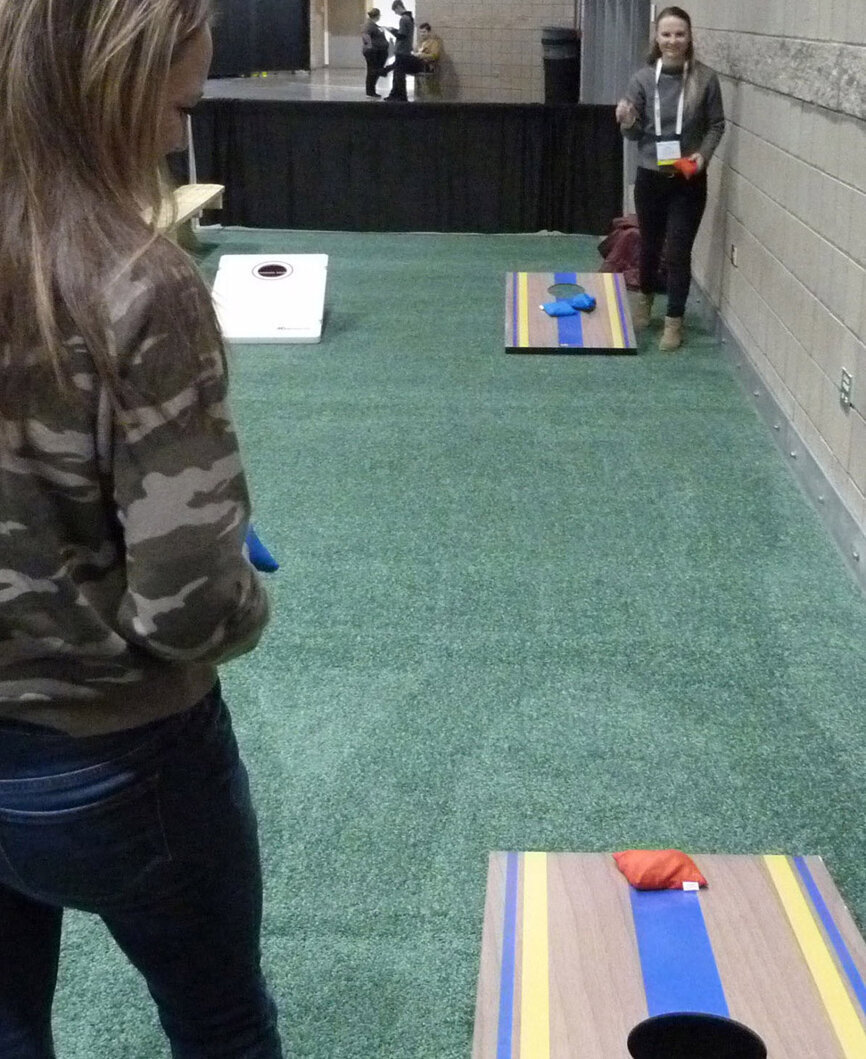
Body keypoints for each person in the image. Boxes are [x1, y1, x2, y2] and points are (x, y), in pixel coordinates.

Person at [0, 1, 283, 1057]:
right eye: (175, 101)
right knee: (220, 1024)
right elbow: (189, 607)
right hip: (113, 760)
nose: (179, 130)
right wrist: (235, 576)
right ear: (114, 73)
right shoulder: (137, 283)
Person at [615, 6, 725, 351]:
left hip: (688, 179)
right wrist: (627, 120)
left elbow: (717, 124)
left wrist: (703, 154)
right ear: (657, 38)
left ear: (689, 37)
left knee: (678, 251)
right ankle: (644, 303)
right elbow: (632, 136)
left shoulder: (705, 79)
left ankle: (674, 322)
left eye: (679, 34)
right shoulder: (643, 79)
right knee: (649, 246)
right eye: (666, 34)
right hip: (650, 177)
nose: (673, 41)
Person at [384, 0, 415, 102]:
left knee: (399, 75)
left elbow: (401, 36)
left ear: (398, 7)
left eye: (395, 10)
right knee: (398, 74)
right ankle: (395, 94)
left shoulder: (403, 19)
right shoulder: (410, 18)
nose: (395, 13)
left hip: (401, 50)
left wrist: (391, 30)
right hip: (406, 49)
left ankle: (401, 96)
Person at [361, 8, 389, 98]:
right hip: (373, 52)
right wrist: (370, 46)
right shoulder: (369, 25)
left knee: (375, 71)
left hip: (379, 51)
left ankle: (372, 90)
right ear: (377, 15)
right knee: (372, 71)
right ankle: (370, 91)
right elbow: (365, 35)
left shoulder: (374, 25)